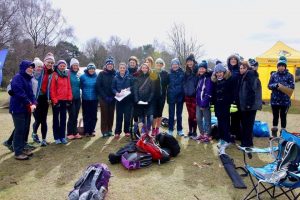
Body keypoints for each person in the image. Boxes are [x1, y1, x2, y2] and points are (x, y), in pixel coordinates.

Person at [9, 60, 37, 160]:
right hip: (17, 108)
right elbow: (19, 93)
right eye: (29, 67)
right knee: (19, 129)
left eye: (32, 67)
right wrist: (29, 104)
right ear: (24, 67)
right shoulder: (17, 78)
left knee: (25, 129)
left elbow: (31, 94)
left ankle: (22, 148)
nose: (31, 69)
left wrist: (34, 103)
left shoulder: (28, 79)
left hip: (26, 109)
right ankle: (18, 152)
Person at [31, 53, 55, 146]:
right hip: (36, 98)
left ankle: (44, 140)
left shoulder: (51, 73)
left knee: (43, 120)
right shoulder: (39, 69)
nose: (50, 64)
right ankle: (34, 133)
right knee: (38, 119)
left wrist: (49, 98)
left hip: (45, 98)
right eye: (48, 62)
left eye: (52, 63)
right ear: (44, 62)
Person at [268, 56, 295, 137]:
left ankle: (283, 133)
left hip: (285, 101)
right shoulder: (273, 75)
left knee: (283, 117)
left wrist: (283, 86)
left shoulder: (290, 75)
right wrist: (275, 85)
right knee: (275, 116)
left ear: (285, 66)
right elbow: (269, 85)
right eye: (279, 65)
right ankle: (274, 133)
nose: (281, 67)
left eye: (283, 66)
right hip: (274, 101)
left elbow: (292, 86)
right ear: (277, 66)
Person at [211, 63, 234, 154]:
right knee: (220, 123)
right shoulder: (215, 82)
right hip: (218, 106)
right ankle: (222, 139)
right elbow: (214, 94)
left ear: (224, 72)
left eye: (220, 72)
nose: (219, 74)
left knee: (225, 123)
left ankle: (227, 140)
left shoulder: (228, 80)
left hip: (225, 105)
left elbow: (231, 93)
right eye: (217, 72)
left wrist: (230, 102)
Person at [239, 61, 262, 147]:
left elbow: (251, 92)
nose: (241, 70)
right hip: (248, 105)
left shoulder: (250, 75)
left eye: (243, 68)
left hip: (250, 106)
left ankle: (246, 143)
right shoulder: (246, 75)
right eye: (240, 68)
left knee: (247, 125)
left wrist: (248, 105)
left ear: (247, 68)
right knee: (247, 124)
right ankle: (248, 142)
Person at [50, 60, 73, 144]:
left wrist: (69, 98)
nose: (62, 67)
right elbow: (52, 89)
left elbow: (69, 88)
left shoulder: (66, 75)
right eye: (61, 66)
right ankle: (56, 137)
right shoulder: (55, 75)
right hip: (57, 101)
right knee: (56, 119)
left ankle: (62, 136)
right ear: (58, 66)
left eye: (64, 66)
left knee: (63, 119)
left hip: (65, 100)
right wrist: (55, 101)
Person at [112, 62, 133, 139]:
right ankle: (117, 132)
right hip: (119, 100)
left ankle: (127, 131)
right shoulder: (115, 77)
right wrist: (116, 93)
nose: (122, 69)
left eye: (124, 68)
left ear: (126, 69)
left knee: (127, 117)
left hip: (128, 100)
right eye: (121, 68)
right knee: (119, 117)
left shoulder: (130, 77)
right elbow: (113, 88)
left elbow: (133, 86)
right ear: (119, 69)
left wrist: (129, 88)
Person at [96, 57, 116, 137]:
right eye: (108, 64)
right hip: (103, 97)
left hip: (112, 97)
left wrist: (113, 96)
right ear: (106, 65)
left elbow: (117, 86)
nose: (110, 66)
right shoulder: (101, 74)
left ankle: (110, 130)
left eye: (111, 64)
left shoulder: (115, 74)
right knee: (104, 114)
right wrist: (104, 96)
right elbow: (98, 86)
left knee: (111, 114)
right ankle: (104, 131)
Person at [133, 63, 155, 133]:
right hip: (139, 101)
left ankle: (147, 131)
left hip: (149, 102)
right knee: (141, 118)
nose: (144, 69)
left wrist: (149, 100)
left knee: (150, 118)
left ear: (148, 69)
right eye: (143, 68)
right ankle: (142, 132)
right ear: (141, 68)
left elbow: (153, 91)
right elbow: (135, 89)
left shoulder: (151, 77)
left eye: (146, 68)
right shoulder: (138, 77)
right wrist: (137, 99)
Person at [195, 61, 213, 142]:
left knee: (207, 120)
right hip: (198, 103)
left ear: (205, 69)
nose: (201, 70)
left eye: (203, 68)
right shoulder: (200, 78)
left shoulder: (208, 78)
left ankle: (207, 135)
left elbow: (208, 92)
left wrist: (203, 104)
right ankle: (202, 134)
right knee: (198, 118)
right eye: (200, 68)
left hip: (205, 104)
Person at [167, 58, 185, 136]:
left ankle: (180, 129)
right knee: (171, 114)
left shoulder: (183, 73)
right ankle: (170, 129)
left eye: (176, 64)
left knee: (179, 114)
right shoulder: (169, 74)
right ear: (171, 65)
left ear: (178, 65)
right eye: (173, 64)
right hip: (171, 96)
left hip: (180, 96)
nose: (175, 65)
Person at [151, 58, 169, 136]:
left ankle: (157, 129)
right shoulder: (153, 72)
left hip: (162, 97)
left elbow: (168, 85)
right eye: (157, 63)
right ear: (155, 64)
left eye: (160, 63)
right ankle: (153, 129)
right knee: (154, 114)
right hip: (154, 97)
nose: (159, 65)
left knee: (159, 114)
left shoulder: (165, 73)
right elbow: (150, 84)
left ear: (162, 65)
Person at [80, 63, 98, 137]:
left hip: (94, 99)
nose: (91, 70)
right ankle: (86, 131)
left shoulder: (97, 76)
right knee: (86, 115)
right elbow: (80, 86)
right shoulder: (82, 77)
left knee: (93, 115)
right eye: (90, 69)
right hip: (85, 99)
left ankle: (92, 130)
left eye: (93, 69)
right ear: (87, 69)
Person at [227, 54, 242, 140]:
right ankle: (232, 133)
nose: (233, 60)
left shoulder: (238, 71)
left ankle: (237, 134)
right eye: (231, 59)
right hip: (229, 97)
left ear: (237, 61)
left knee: (236, 116)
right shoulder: (228, 70)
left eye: (234, 59)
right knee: (230, 116)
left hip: (237, 97)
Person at [67, 58, 82, 140]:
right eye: (74, 65)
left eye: (77, 65)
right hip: (70, 98)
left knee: (75, 115)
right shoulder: (68, 74)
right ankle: (69, 132)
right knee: (71, 115)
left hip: (77, 98)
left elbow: (80, 86)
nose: (75, 67)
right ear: (71, 66)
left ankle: (75, 132)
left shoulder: (78, 75)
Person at [183, 54, 198, 137]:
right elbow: (184, 83)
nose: (189, 63)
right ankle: (190, 131)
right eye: (188, 62)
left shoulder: (197, 71)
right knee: (190, 114)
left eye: (191, 61)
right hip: (188, 96)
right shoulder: (186, 72)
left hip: (195, 96)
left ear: (193, 61)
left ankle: (195, 131)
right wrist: (185, 91)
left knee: (195, 114)